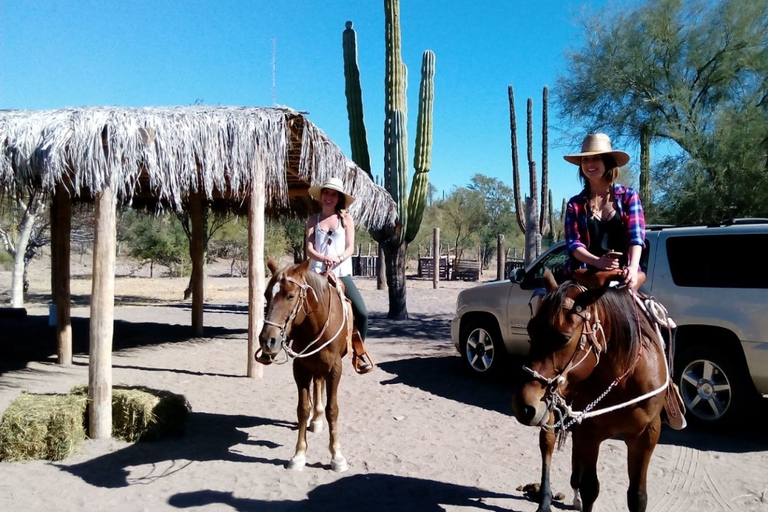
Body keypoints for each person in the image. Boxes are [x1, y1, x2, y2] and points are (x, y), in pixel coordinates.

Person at [306, 177, 373, 374]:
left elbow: (350, 247)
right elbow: (309, 248)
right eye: (326, 193)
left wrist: (337, 258)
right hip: (316, 273)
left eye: (333, 194)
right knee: (295, 303)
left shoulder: (346, 219)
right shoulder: (313, 220)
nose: (329, 197)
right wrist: (322, 257)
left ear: (338, 198)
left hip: (341, 273)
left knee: (362, 313)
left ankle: (358, 351)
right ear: (321, 196)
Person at [563, 133, 646, 289]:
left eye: (596, 158)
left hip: (624, 276)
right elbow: (574, 244)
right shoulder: (575, 204)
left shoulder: (629, 197)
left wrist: (633, 268)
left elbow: (636, 237)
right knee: (549, 302)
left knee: (652, 311)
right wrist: (597, 262)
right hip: (584, 276)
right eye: (585, 159)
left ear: (608, 162)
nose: (589, 164)